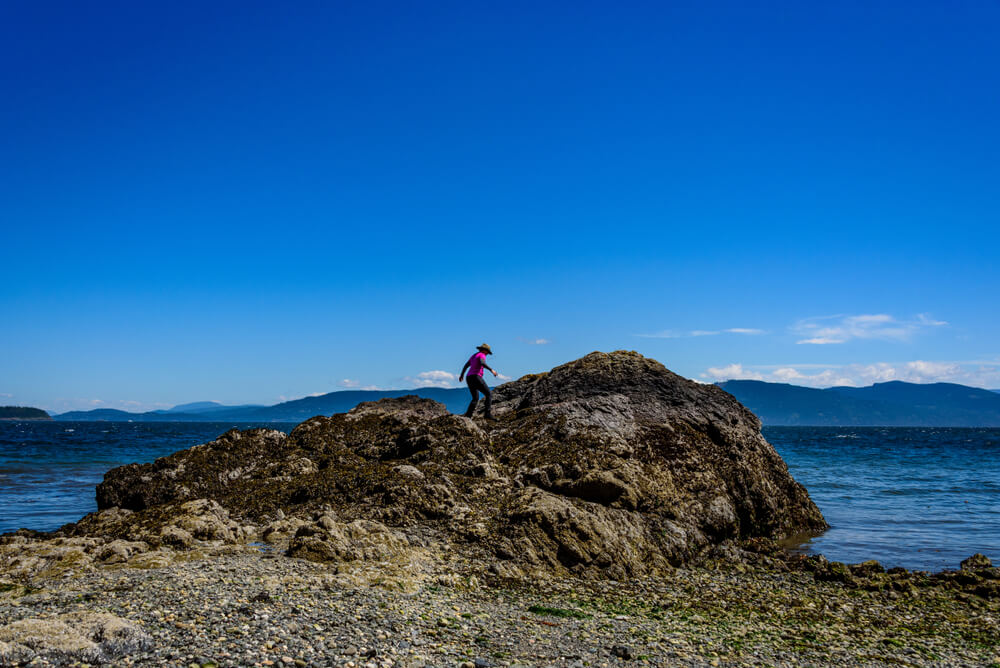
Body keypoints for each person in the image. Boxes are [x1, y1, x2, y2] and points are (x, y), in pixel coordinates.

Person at [459, 343, 498, 419]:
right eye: (487, 352)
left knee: (475, 398)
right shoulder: (482, 354)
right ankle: (487, 414)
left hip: (469, 377)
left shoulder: (473, 355)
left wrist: (462, 375)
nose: (487, 355)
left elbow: (466, 365)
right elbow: (482, 363)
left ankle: (468, 415)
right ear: (484, 350)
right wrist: (491, 370)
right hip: (476, 377)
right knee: (489, 394)